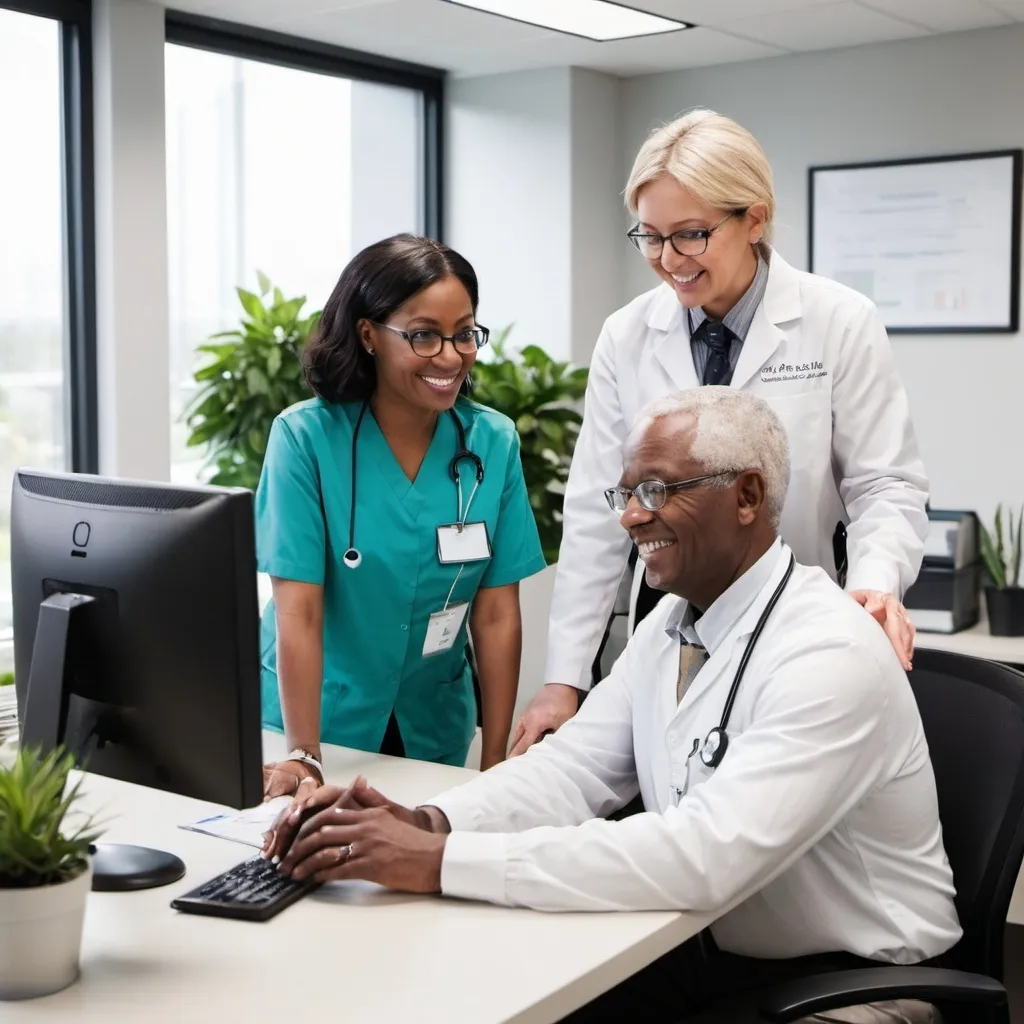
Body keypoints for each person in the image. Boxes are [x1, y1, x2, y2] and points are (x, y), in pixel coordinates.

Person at [262, 389, 960, 1021]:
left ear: (747, 496)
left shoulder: (827, 653)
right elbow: (570, 770)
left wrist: (438, 861)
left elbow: (703, 854)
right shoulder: (673, 623)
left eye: (656, 490)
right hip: (706, 950)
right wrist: (429, 819)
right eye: (623, 493)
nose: (630, 516)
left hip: (857, 983)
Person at [511, 108, 928, 755]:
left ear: (753, 218)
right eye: (649, 237)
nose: (667, 260)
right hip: (665, 618)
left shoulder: (838, 320)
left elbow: (886, 484)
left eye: (690, 235)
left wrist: (873, 583)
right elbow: (597, 512)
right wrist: (564, 677)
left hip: (795, 616)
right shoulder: (628, 334)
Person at [257, 234, 546, 798]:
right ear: (368, 335)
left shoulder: (492, 440)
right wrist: (303, 755)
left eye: (464, 333)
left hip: (431, 729)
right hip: (316, 727)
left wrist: (494, 770)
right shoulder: (305, 438)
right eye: (423, 336)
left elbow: (495, 616)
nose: (450, 355)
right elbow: (300, 613)